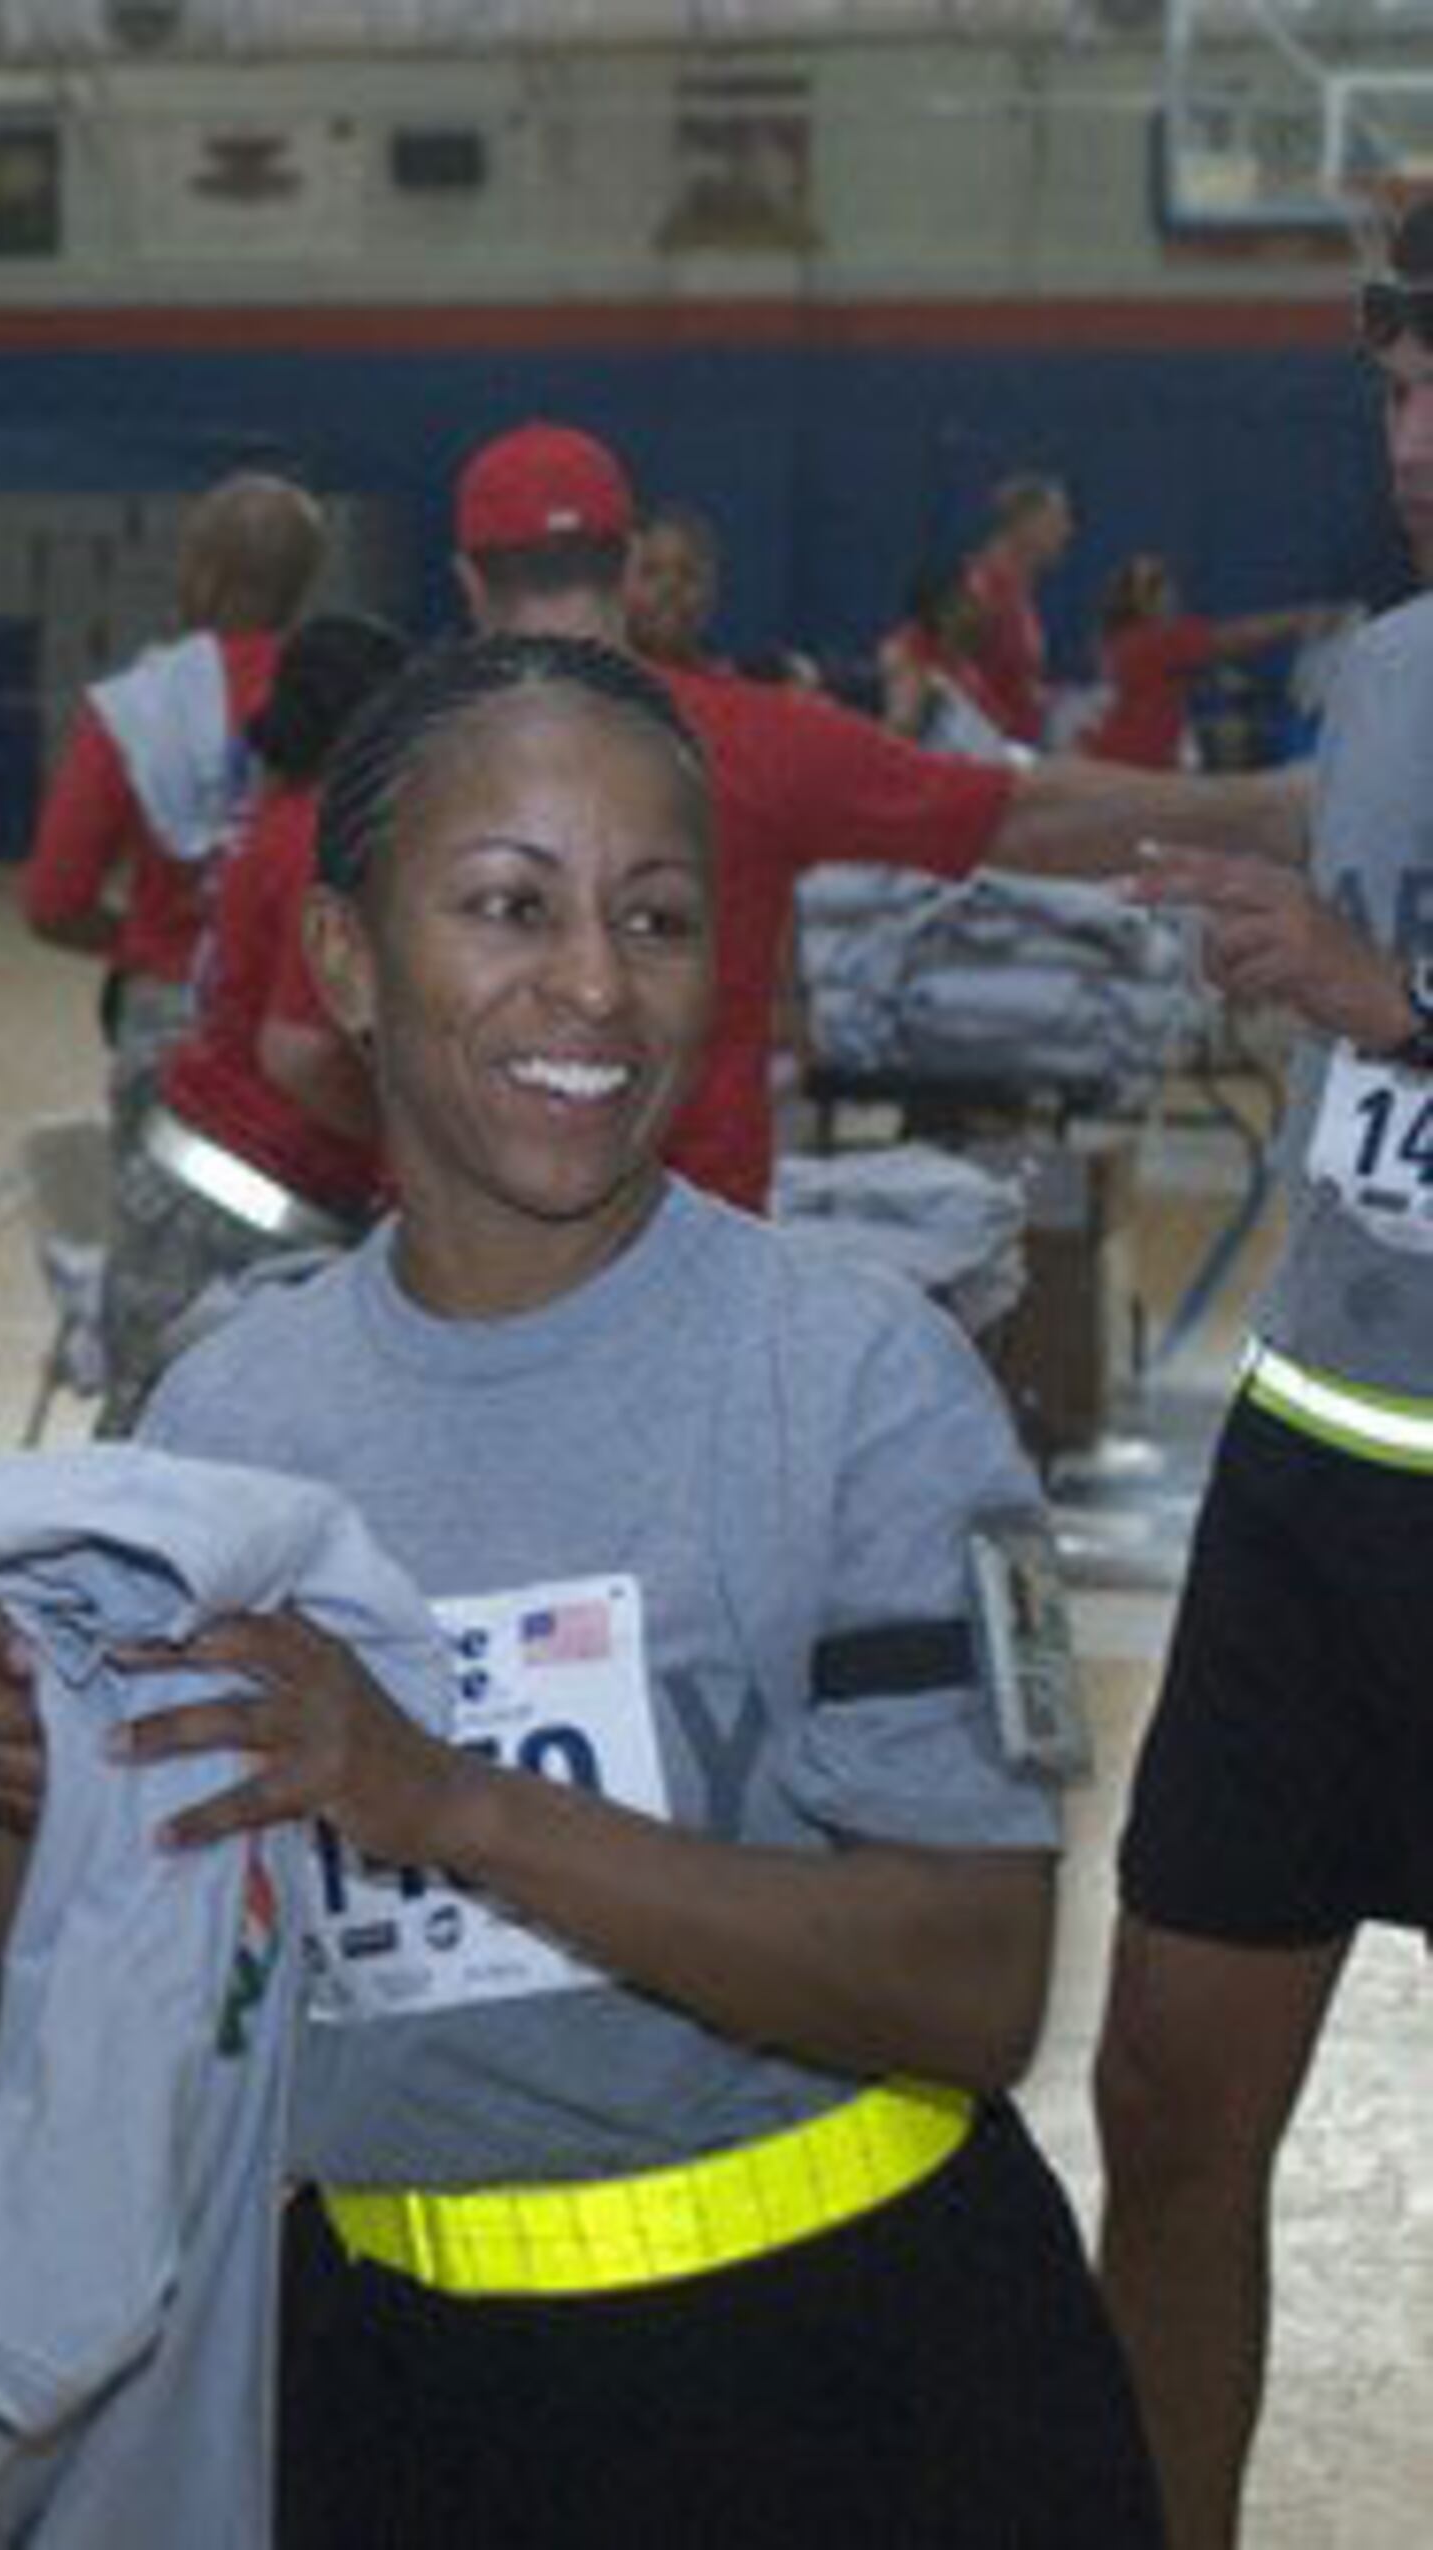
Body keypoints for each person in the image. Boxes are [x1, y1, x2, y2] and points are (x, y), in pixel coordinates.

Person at [0, 631, 1162, 2545]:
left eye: (658, 919)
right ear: (343, 962)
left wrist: (453, 1803)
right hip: (394, 2406)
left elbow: (975, 1979)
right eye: (508, 905)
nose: (592, 981)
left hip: (859, 2397)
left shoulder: (859, 1384)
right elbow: (86, 2004)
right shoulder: (228, 1421)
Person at [1089, 218, 1433, 2550]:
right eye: (1392, 396)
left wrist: (1395, 1012)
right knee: (1161, 2105)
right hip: (1312, 1476)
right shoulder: (1386, 673)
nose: (1410, 451)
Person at [442, 420, 1305, 1213]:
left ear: (468, 582)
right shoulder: (755, 741)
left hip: (466, 1278)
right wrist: (1271, 811)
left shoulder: (398, 770)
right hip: (685, 1257)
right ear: (627, 564)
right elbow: (1028, 815)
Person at [21, 469, 332, 1416]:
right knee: (304, 1333)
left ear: (198, 573)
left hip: (175, 1049)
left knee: (158, 1339)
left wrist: (153, 946)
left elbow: (54, 898)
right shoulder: (346, 702)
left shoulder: (138, 710)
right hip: (310, 1045)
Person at [94, 610, 406, 1433]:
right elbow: (300, 1052)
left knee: (154, 1451)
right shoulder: (325, 841)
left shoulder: (284, 813)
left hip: (194, 1184)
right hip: (244, 1218)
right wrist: (420, 1143)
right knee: (182, 1473)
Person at [1081, 552, 1347, 774]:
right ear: (1144, 599)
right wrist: (1302, 619)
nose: (1171, 594)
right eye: (1160, 587)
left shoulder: (1122, 643)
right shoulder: (1154, 641)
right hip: (1131, 762)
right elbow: (1236, 637)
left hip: (1125, 760)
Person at [961, 470, 1076, 748]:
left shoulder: (1018, 592)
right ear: (1025, 525)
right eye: (1056, 520)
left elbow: (1011, 682)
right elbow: (951, 678)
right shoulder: (982, 589)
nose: (1067, 531)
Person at [875, 559, 1023, 763]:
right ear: (943, 608)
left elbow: (996, 736)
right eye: (972, 604)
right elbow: (898, 733)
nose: (983, 614)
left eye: (983, 604)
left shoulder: (967, 669)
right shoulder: (905, 656)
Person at [623, 499, 728, 676]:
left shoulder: (731, 688)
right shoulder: (590, 686)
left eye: (689, 574)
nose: (670, 589)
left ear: (712, 591)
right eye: (650, 571)